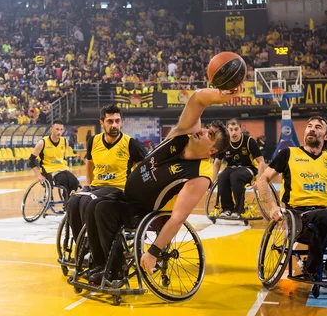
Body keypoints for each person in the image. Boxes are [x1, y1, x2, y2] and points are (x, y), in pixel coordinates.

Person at [87, 87, 239, 284]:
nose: (201, 131)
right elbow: (197, 99)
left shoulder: (201, 175)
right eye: (206, 128)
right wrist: (220, 95)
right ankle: (101, 265)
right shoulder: (184, 133)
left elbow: (177, 218)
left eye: (209, 135)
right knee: (91, 205)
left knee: (102, 210)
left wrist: (153, 252)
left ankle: (115, 272)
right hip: (129, 196)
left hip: (147, 212)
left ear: (213, 151)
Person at [256, 116, 327, 282]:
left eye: (318, 127)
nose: (312, 129)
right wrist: (273, 207)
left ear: (325, 136)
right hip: (298, 215)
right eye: (309, 126)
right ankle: (312, 267)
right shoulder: (289, 154)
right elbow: (262, 180)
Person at [67, 105, 146, 253]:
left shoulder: (131, 144)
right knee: (72, 202)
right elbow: (89, 165)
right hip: (96, 187)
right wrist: (88, 186)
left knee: (86, 201)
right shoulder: (94, 141)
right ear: (102, 123)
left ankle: (93, 245)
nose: (114, 125)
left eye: (117, 121)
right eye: (110, 121)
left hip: (118, 189)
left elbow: (144, 169)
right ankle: (82, 245)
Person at [212, 118, 265, 219]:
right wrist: (212, 180)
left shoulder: (249, 141)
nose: (233, 132)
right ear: (227, 131)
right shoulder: (224, 143)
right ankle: (227, 209)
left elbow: (261, 162)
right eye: (231, 130)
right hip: (232, 168)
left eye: (236, 129)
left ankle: (239, 210)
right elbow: (217, 162)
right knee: (222, 176)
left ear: (241, 129)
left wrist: (259, 180)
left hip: (248, 168)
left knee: (235, 176)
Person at [29, 120, 80, 203]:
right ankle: (67, 202)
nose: (59, 132)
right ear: (51, 130)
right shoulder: (42, 143)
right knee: (63, 180)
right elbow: (31, 160)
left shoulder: (64, 142)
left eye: (61, 129)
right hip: (48, 170)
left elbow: (63, 158)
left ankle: (69, 201)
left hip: (62, 169)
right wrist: (39, 175)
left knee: (74, 181)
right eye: (57, 129)